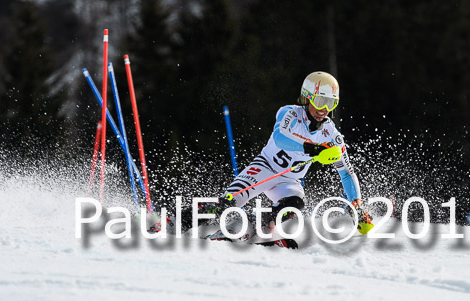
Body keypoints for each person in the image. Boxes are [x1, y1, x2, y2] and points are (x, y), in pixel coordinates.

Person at [157, 71, 373, 239]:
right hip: (264, 168)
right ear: (307, 97)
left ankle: (248, 226)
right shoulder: (289, 113)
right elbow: (280, 138)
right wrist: (311, 148)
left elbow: (347, 173)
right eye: (320, 101)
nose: (324, 109)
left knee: (294, 205)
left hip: (289, 181)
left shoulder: (332, 136)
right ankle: (172, 222)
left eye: (330, 103)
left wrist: (357, 205)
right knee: (228, 203)